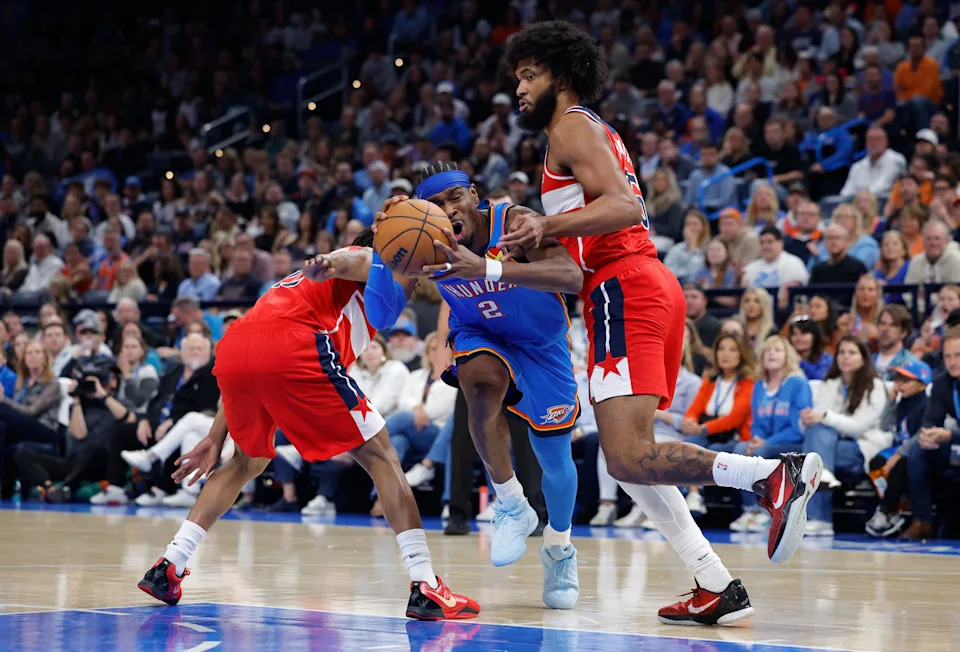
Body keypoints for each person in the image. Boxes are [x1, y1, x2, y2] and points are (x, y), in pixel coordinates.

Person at [502, 21, 823, 626]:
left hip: (626, 287)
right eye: (516, 77)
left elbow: (625, 206)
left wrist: (545, 227)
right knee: (630, 459)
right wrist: (500, 263)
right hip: (625, 287)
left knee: (627, 455)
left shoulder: (570, 125)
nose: (518, 88)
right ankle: (715, 582)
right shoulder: (581, 134)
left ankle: (772, 476)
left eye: (529, 75)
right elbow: (574, 270)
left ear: (562, 77)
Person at [136, 225, 480, 620]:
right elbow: (358, 258)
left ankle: (169, 565)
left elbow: (258, 349)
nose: (416, 272)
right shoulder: (372, 262)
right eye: (413, 260)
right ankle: (425, 585)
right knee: (383, 457)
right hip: (294, 345)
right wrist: (331, 261)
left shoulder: (305, 289)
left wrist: (217, 435)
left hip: (239, 347)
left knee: (246, 462)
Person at [408, 162, 584, 609]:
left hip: (542, 345)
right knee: (479, 386)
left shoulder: (518, 223)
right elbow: (376, 262)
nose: (446, 211)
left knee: (556, 462)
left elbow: (571, 277)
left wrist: (488, 269)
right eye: (433, 205)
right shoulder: (422, 240)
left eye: (453, 199)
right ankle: (509, 502)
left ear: (473, 195)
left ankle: (559, 548)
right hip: (480, 334)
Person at [801, 336, 889, 536]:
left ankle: (820, 517)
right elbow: (819, 421)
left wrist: (824, 416)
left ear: (863, 357)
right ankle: (824, 476)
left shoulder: (874, 386)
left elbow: (858, 428)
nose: (846, 357)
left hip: (862, 448)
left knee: (814, 458)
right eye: (842, 352)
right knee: (816, 439)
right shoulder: (830, 383)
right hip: (832, 445)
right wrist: (807, 419)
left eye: (852, 353)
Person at [729, 336, 812, 532]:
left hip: (793, 444)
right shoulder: (759, 386)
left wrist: (764, 442)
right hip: (765, 442)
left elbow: (797, 428)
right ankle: (750, 511)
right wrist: (756, 439)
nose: (771, 354)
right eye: (767, 351)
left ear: (787, 356)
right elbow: (756, 423)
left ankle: (767, 512)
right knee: (740, 449)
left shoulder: (798, 383)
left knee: (761, 450)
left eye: (777, 350)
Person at [680, 334, 756, 514]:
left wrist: (703, 428)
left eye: (732, 349)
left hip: (736, 437)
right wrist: (690, 421)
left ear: (741, 354)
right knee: (689, 442)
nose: (725, 354)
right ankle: (694, 494)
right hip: (710, 436)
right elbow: (694, 409)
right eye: (721, 349)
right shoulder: (711, 380)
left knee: (699, 442)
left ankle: (751, 509)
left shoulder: (748, 383)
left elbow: (734, 418)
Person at [900, 329, 960, 539]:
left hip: (954, 439)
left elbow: (950, 433)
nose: (952, 361)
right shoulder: (943, 383)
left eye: (958, 355)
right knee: (919, 449)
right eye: (948, 356)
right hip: (954, 444)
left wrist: (950, 435)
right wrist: (928, 433)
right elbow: (931, 419)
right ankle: (922, 521)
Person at [864, 359, 931, 538]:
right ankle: (893, 506)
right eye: (896, 379)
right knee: (876, 462)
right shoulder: (902, 402)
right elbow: (886, 425)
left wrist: (899, 454)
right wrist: (891, 401)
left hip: (917, 451)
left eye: (905, 381)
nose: (898, 384)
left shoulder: (926, 404)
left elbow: (920, 435)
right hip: (898, 448)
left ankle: (886, 509)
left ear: (921, 384)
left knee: (899, 465)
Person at [873, 305, 918, 377]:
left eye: (893, 325)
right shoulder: (867, 360)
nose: (885, 329)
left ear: (904, 332)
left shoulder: (910, 363)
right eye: (882, 323)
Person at [789, 316, 834, 381]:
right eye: (794, 334)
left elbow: (822, 379)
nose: (798, 338)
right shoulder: (785, 359)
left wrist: (801, 362)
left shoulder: (826, 358)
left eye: (804, 333)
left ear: (814, 336)